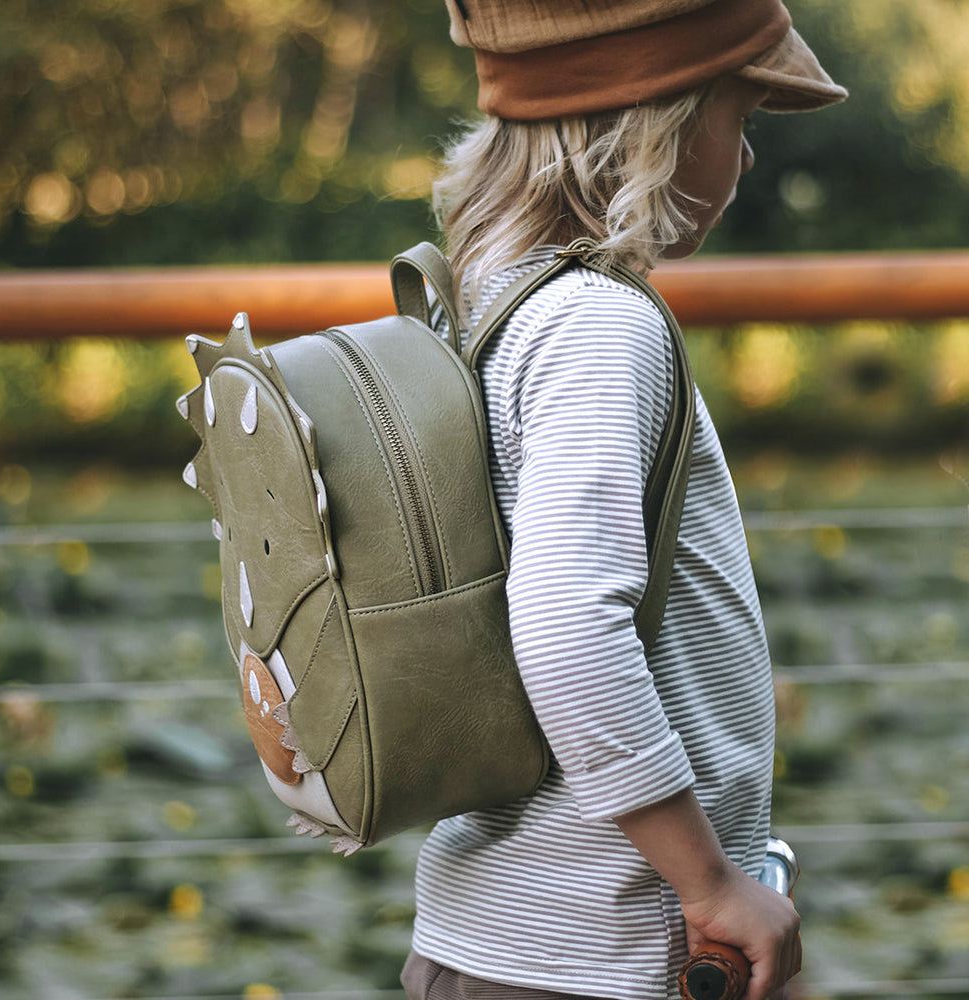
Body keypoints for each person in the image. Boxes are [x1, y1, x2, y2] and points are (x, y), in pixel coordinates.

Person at [401, 3, 847, 1000]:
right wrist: (709, 880)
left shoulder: (491, 296)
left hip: (502, 931)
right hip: (597, 955)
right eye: (741, 116)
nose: (744, 160)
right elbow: (566, 628)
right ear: (665, 122)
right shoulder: (598, 327)